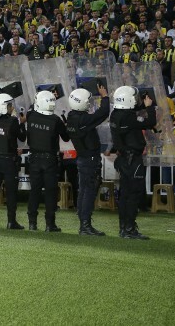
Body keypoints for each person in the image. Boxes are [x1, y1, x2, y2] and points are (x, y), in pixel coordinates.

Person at [110, 86, 156, 240]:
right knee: (133, 194)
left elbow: (133, 111)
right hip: (133, 159)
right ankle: (130, 229)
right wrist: (150, 107)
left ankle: (124, 228)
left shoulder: (115, 115)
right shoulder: (128, 117)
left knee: (124, 194)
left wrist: (142, 104)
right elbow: (150, 121)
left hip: (123, 158)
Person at [67, 85, 109, 236]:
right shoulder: (82, 119)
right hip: (90, 159)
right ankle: (85, 225)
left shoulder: (71, 117)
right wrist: (105, 97)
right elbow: (103, 113)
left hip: (82, 158)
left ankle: (83, 223)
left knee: (83, 191)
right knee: (89, 192)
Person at [26, 90, 70, 232]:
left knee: (35, 192)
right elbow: (66, 137)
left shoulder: (31, 116)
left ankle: (32, 223)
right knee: (50, 192)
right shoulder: (56, 120)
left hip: (34, 159)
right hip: (50, 160)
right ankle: (50, 224)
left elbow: (33, 107)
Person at [0, 93, 27, 229]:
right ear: (4, 107)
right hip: (9, 161)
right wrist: (22, 123)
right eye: (9, 105)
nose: (11, 108)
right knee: (11, 192)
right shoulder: (12, 121)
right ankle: (11, 221)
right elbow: (21, 137)